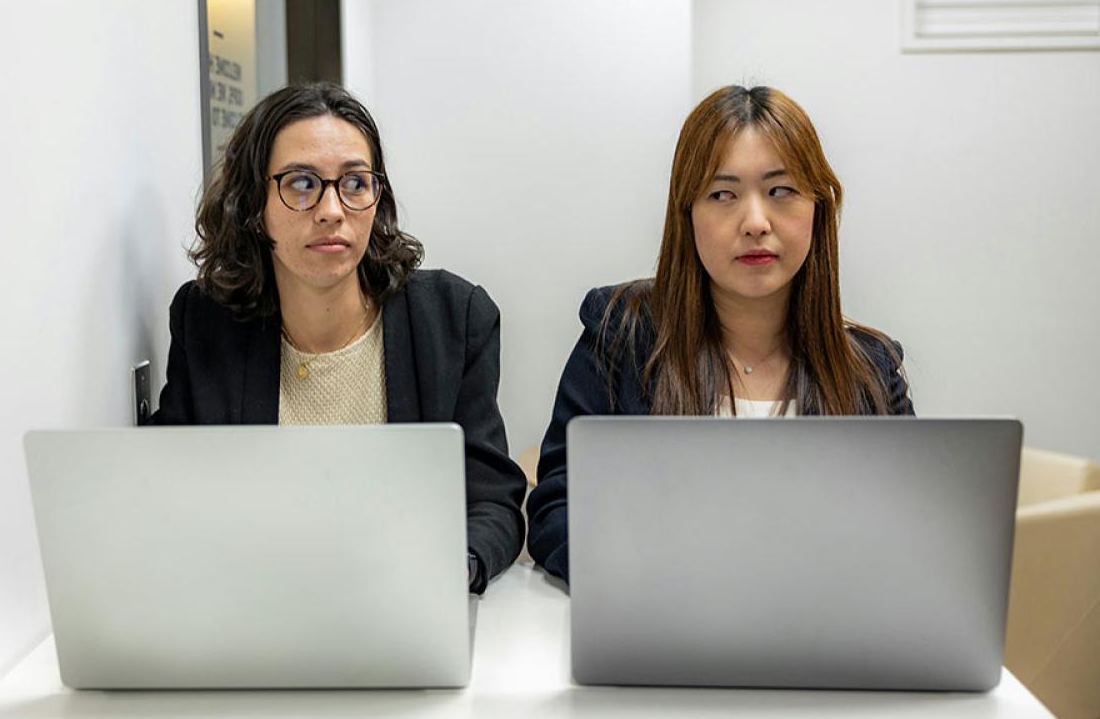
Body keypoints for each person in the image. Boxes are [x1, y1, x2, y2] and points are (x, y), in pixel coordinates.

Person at [526, 85, 914, 584]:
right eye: (722, 194)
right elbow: (558, 510)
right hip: (662, 632)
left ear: (818, 207)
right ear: (687, 214)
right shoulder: (622, 332)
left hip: (822, 640)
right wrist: (654, 577)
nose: (755, 222)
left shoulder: (871, 370)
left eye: (781, 191)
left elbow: (910, 535)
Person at [148, 82, 526, 593]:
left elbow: (491, 500)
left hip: (401, 608)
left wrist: (454, 566)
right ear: (254, 207)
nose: (331, 209)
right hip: (253, 607)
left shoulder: (452, 319)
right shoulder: (205, 322)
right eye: (302, 184)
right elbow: (165, 493)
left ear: (377, 198)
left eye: (354, 183)